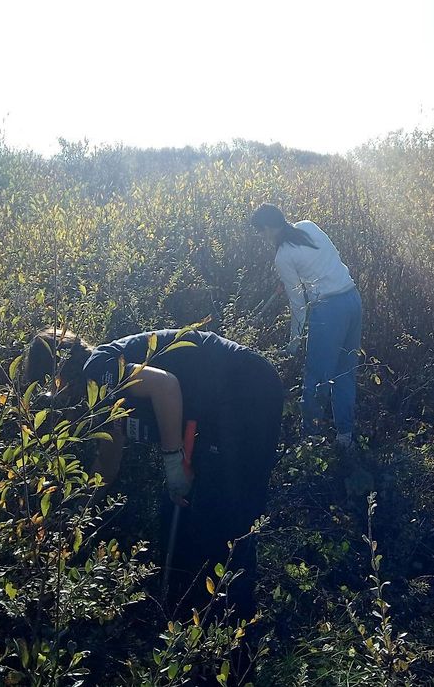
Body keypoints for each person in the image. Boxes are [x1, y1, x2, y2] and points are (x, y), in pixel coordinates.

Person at [21, 327, 284, 623]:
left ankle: (236, 637)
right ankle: (187, 620)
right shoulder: (96, 397)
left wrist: (173, 462)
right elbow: (108, 461)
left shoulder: (96, 366)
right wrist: (78, 513)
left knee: (228, 520)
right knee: (176, 517)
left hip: (246, 390)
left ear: (59, 374)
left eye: (51, 388)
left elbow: (164, 385)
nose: (57, 399)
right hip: (215, 414)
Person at [249, 203, 362, 448]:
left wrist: (293, 344)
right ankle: (345, 437)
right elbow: (333, 258)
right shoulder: (309, 226)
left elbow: (297, 303)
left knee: (317, 377)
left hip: (329, 310)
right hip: (352, 299)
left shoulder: (283, 256)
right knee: (345, 373)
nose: (261, 237)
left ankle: (310, 441)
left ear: (268, 228)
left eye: (260, 231)